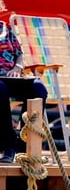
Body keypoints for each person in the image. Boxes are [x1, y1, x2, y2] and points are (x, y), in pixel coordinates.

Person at [0, 21, 48, 164]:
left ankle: (24, 144)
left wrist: (17, 68)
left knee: (39, 88)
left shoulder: (6, 31)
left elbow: (19, 54)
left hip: (13, 76)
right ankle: (8, 145)